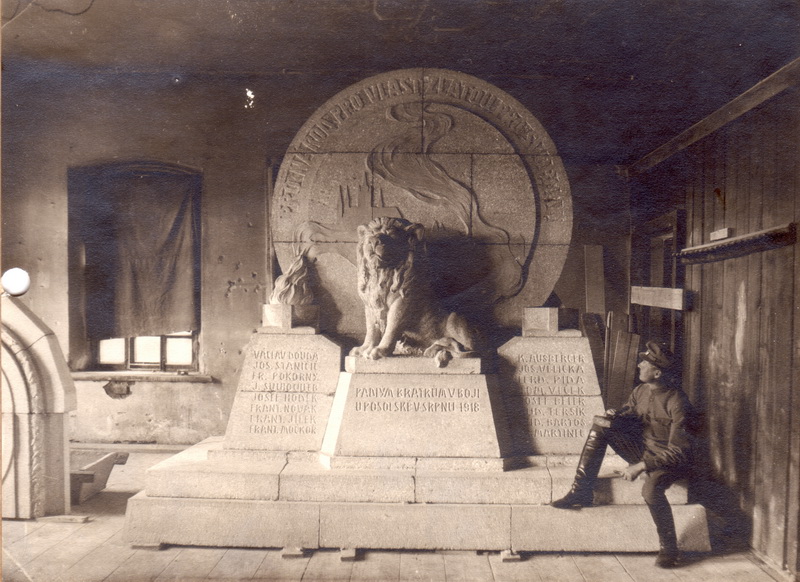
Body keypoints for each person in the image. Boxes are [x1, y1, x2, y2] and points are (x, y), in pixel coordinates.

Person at [551, 340, 692, 569]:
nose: (639, 366)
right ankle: (581, 491)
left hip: (669, 461)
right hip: (644, 451)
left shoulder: (678, 402)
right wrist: (616, 416)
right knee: (601, 426)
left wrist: (641, 466)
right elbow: (632, 413)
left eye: (644, 363)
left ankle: (670, 549)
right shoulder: (641, 390)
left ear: (657, 372)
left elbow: (679, 452)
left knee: (650, 490)